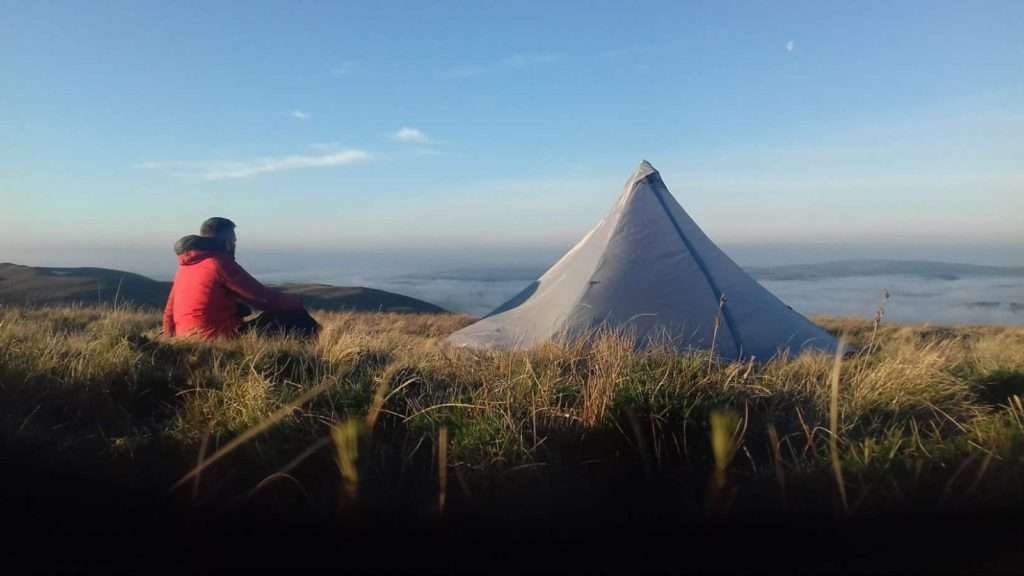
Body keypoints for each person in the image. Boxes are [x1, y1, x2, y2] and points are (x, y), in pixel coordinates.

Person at [162, 217, 320, 340]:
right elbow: (263, 300)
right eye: (233, 240)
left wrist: (171, 340)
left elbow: (169, 312)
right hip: (219, 339)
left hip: (187, 338)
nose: (234, 245)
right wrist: (296, 301)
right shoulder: (219, 264)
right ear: (226, 242)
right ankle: (308, 365)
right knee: (294, 315)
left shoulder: (184, 268)